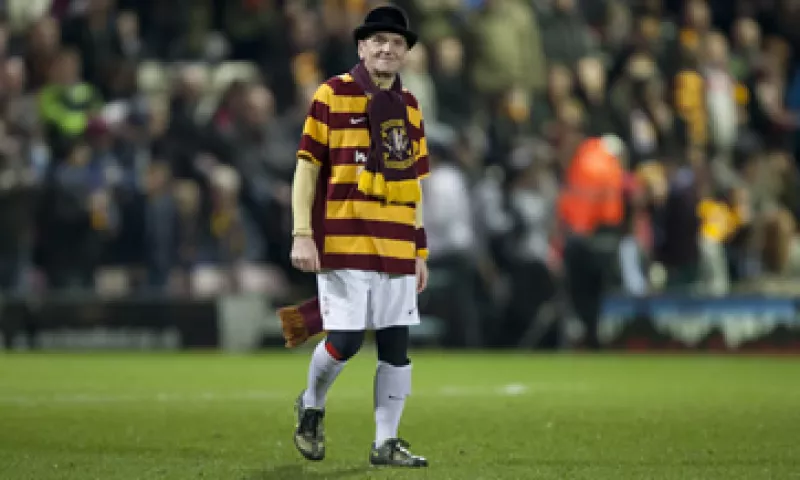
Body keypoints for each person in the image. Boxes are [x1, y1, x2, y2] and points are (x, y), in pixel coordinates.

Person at [285, 5, 430, 468]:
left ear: (405, 52)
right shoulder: (332, 94)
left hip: (396, 242)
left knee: (395, 347)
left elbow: (414, 183)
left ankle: (386, 442)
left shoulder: (410, 107)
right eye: (378, 40)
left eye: (397, 42)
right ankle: (311, 404)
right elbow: (307, 168)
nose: (387, 48)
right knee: (345, 340)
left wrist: (419, 249)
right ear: (362, 47)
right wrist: (302, 233)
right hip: (344, 239)